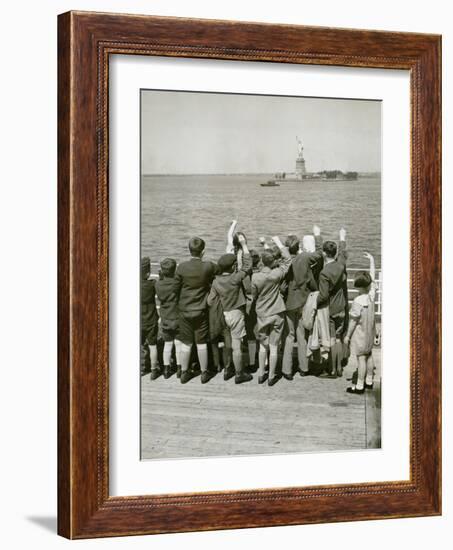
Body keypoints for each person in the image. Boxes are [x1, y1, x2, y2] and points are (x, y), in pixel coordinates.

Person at [207, 234, 253, 384]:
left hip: (223, 315)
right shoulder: (235, 278)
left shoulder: (216, 281)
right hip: (236, 314)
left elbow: (210, 300)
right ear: (233, 266)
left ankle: (227, 369)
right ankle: (239, 374)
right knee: (236, 345)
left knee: (227, 344)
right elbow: (248, 266)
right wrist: (244, 245)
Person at [281, 226, 323, 379]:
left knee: (288, 337)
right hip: (303, 302)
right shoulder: (304, 258)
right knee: (301, 336)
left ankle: (286, 370)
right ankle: (304, 367)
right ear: (298, 246)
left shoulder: (284, 262)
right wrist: (317, 236)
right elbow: (319, 254)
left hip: (288, 304)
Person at [174, 237, 216, 384]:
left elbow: (175, 288)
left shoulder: (181, 267)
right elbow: (221, 269)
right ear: (203, 252)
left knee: (186, 343)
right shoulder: (208, 266)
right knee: (201, 342)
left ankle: (184, 373)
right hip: (201, 309)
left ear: (189, 250)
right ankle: (204, 373)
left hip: (185, 310)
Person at [252, 236, 292, 386]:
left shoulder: (256, 277)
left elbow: (254, 295)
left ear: (262, 261)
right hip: (277, 312)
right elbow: (288, 260)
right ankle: (271, 377)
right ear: (274, 261)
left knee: (263, 346)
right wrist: (279, 243)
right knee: (274, 347)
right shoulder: (277, 274)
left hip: (263, 313)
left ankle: (261, 373)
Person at [316, 228, 349, 378]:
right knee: (338, 338)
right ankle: (340, 367)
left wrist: (312, 302)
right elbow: (343, 253)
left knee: (332, 340)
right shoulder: (341, 265)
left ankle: (333, 370)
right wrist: (342, 237)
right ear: (334, 253)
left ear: (324, 253)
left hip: (330, 310)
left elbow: (323, 296)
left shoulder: (324, 273)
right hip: (342, 307)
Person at [344, 252, 377, 394]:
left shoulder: (358, 301)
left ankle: (359, 385)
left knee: (361, 359)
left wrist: (347, 336)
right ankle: (369, 380)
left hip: (360, 334)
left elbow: (353, 321)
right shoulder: (371, 295)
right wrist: (372, 261)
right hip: (370, 332)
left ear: (357, 286)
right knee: (369, 355)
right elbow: (373, 277)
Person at [155, 258, 182, 379]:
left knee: (168, 344)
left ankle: (166, 369)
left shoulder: (158, 284)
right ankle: (180, 367)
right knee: (178, 343)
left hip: (165, 317)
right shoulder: (176, 283)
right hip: (177, 316)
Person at [141, 257, 159, 380]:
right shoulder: (152, 284)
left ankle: (141, 368)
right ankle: (153, 370)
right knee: (153, 345)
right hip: (151, 319)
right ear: (148, 273)